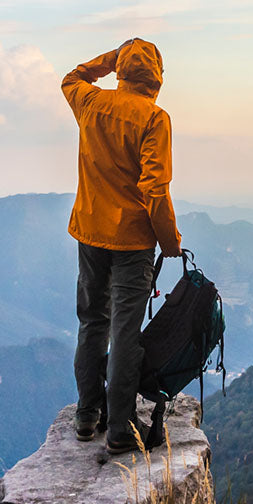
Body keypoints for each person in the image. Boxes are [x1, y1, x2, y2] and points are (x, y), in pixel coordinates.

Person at [62, 38, 182, 454]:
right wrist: (170, 241)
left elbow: (72, 77)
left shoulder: (90, 103)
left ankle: (86, 414)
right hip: (132, 241)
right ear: (157, 76)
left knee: (92, 320)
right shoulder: (154, 118)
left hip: (90, 232)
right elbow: (154, 189)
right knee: (125, 331)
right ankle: (119, 430)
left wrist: (111, 59)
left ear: (120, 70)